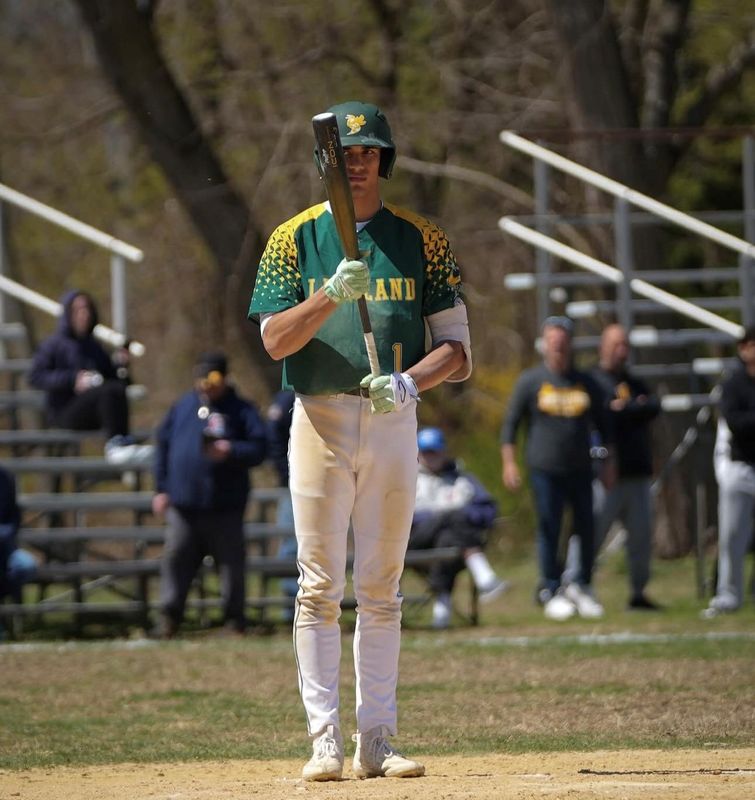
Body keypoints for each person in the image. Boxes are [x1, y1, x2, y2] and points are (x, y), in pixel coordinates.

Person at [248, 100, 471, 781]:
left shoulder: (421, 239)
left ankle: (377, 736)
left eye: (369, 150)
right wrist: (328, 299)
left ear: (384, 159)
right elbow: (273, 339)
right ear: (326, 162)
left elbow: (458, 350)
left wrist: (407, 383)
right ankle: (325, 739)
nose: (358, 161)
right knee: (318, 585)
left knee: (380, 586)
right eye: (346, 153)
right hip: (318, 416)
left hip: (391, 420)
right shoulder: (293, 240)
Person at [500, 316, 614, 621]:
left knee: (586, 527)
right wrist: (509, 463)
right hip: (544, 468)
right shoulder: (531, 381)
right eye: (553, 343)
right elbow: (511, 425)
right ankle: (550, 587)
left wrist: (608, 464)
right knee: (549, 526)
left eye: (563, 343)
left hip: (581, 468)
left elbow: (605, 427)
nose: (559, 348)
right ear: (544, 345)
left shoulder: (586, 381)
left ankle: (582, 584)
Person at [151, 352, 267, 638]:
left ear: (225, 378)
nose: (206, 386)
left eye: (212, 379)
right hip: (184, 505)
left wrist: (231, 450)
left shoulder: (241, 410)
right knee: (176, 559)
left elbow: (260, 447)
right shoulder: (184, 406)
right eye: (201, 378)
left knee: (231, 566)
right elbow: (162, 446)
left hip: (225, 506)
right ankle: (169, 618)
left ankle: (234, 621)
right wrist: (161, 488)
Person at [564, 324, 662, 610]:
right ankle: (574, 584)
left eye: (625, 345)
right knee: (590, 532)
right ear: (602, 347)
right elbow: (606, 414)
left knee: (641, 539)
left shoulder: (633, 381)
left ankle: (638, 593)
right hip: (604, 474)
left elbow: (653, 407)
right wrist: (632, 408)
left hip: (638, 473)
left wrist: (628, 408)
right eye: (616, 345)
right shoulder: (593, 381)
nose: (622, 351)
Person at [28, 289, 151, 464]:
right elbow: (36, 377)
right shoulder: (53, 345)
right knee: (109, 391)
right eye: (78, 310)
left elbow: (115, 381)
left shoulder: (95, 347)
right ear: (68, 313)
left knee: (115, 389)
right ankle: (116, 444)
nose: (84, 314)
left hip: (95, 412)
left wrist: (121, 366)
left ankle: (122, 440)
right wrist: (72, 379)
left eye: (87, 309)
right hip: (64, 411)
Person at [410, 426, 508, 629]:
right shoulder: (408, 480)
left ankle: (442, 608)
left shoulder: (463, 479)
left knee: (447, 539)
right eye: (425, 452)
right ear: (417, 453)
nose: (430, 457)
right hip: (416, 541)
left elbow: (488, 510)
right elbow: (401, 517)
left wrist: (464, 516)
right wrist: (442, 515)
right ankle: (484, 576)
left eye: (434, 451)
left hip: (453, 545)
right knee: (450, 515)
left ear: (444, 451)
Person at [702, 325, 755, 618]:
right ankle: (728, 595)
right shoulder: (734, 383)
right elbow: (735, 423)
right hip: (740, 467)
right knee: (733, 535)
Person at [264, 389, 298, 618]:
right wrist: (288, 472)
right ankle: (291, 607)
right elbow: (272, 436)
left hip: (333, 483)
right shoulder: (287, 397)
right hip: (293, 485)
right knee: (291, 545)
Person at [0, 466, 37, 639]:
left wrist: (4, 535)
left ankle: (13, 620)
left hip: (6, 546)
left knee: (26, 566)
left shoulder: (5, 477)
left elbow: (14, 516)